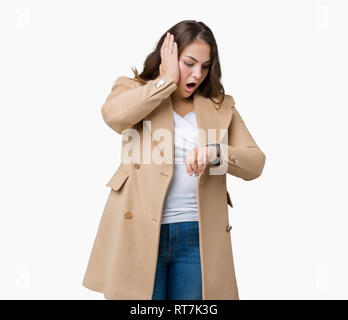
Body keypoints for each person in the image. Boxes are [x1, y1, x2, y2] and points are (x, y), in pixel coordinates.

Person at [82, 20, 266, 300]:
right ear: (167, 57)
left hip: (197, 236)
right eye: (189, 63)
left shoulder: (219, 105)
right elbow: (115, 117)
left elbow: (256, 163)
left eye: (205, 66)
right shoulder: (134, 90)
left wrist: (216, 152)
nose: (197, 74)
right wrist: (165, 81)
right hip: (139, 232)